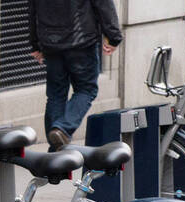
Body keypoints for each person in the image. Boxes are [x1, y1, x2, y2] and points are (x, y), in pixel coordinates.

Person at [28, 0, 123, 149]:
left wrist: (35, 43)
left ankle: (56, 150)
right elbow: (103, 4)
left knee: (56, 95)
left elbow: (33, 9)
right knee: (86, 90)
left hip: (50, 42)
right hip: (81, 41)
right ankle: (63, 129)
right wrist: (114, 36)